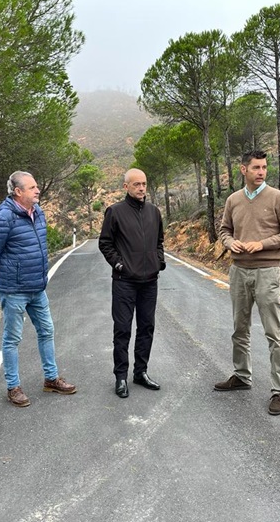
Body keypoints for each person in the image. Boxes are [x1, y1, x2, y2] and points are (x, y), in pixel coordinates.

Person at [0, 171, 76, 407]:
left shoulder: (38, 212)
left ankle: (51, 379)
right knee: (12, 339)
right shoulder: (4, 217)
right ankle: (13, 387)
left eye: (37, 186)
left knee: (47, 331)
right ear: (18, 191)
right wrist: (2, 278)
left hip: (37, 287)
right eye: (32, 187)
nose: (38, 190)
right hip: (14, 291)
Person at [215, 150, 280, 416]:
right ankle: (241, 375)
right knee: (239, 328)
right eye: (256, 167)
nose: (261, 172)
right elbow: (223, 230)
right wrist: (230, 243)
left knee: (274, 333)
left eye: (264, 167)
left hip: (267, 271)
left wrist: (262, 244)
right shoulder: (233, 200)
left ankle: (279, 390)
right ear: (243, 170)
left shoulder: (277, 198)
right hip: (239, 270)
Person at [98, 168, 165, 398]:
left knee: (147, 327)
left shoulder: (154, 212)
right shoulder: (114, 212)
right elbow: (105, 243)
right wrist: (119, 265)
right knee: (123, 329)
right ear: (125, 187)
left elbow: (159, 241)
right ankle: (120, 377)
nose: (141, 188)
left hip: (150, 282)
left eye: (144, 184)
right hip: (124, 282)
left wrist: (159, 261)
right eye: (136, 184)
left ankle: (141, 372)